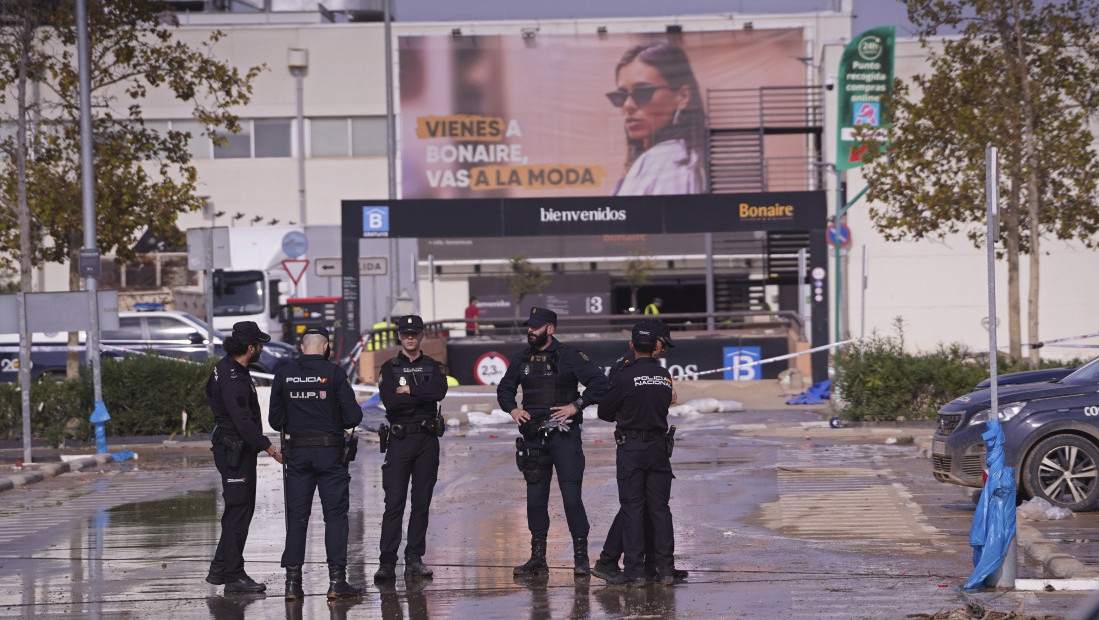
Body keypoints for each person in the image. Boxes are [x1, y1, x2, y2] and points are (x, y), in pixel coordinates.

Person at [497, 306, 610, 576]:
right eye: (529, 326)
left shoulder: (569, 356)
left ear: (550, 328)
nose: (530, 331)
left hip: (565, 438)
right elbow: (504, 388)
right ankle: (538, 559)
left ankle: (580, 560)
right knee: (535, 499)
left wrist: (577, 405)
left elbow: (600, 384)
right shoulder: (521, 358)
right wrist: (512, 409)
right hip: (534, 438)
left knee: (572, 498)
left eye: (535, 327)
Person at [269, 328, 364, 600]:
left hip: (297, 454)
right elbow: (353, 417)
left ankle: (292, 585)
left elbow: (276, 420)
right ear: (326, 348)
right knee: (334, 516)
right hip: (330, 455)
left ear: (301, 347)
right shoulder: (334, 374)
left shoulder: (284, 374)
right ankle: (337, 583)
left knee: (297, 519)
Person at [592, 320, 687, 583]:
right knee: (656, 508)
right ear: (653, 343)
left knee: (634, 508)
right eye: (662, 344)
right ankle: (662, 568)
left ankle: (637, 570)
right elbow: (663, 402)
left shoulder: (630, 373)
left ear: (634, 343)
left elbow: (605, 411)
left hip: (634, 445)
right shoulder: (659, 374)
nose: (664, 349)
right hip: (656, 445)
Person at [205, 320, 283, 593]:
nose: (261, 348)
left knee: (236, 511)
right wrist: (270, 448)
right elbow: (243, 420)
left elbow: (209, 395)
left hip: (230, 446)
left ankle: (220, 568)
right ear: (251, 348)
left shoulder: (224, 366)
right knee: (238, 513)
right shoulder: (234, 378)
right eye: (259, 344)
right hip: (234, 451)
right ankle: (233, 575)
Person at [374, 315, 449, 582]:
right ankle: (386, 563)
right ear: (399, 336)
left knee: (421, 503)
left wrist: (409, 390)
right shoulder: (389, 366)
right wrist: (419, 391)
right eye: (405, 334)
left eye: (414, 334)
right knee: (393, 503)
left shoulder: (434, 365)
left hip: (427, 440)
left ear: (421, 336)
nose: (410, 338)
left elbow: (439, 392)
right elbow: (391, 401)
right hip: (400, 439)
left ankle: (414, 559)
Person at [607, 41, 707, 196]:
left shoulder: (665, 160)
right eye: (620, 96)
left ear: (682, 96)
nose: (628, 105)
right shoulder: (679, 157)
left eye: (642, 93)